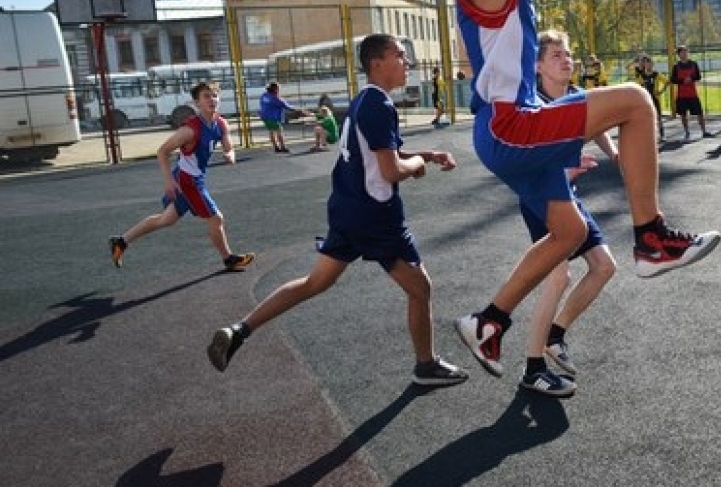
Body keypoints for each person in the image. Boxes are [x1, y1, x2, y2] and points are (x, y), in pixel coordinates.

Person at [429, 0, 720, 380]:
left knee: (567, 232)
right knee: (636, 101)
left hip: (504, 128)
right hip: (511, 125)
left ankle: (489, 321)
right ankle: (652, 239)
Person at [205, 34, 469, 388]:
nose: (406, 62)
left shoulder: (364, 100)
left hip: (347, 209)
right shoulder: (379, 105)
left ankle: (239, 330)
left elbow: (380, 154)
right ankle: (426, 365)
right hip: (375, 217)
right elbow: (391, 170)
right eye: (399, 55)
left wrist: (428, 155)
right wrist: (418, 164)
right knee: (420, 289)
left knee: (315, 283)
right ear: (377, 63)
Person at [518, 30, 620, 397]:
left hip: (568, 196)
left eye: (568, 53)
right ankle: (533, 368)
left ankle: (555, 334)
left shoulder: (577, 96)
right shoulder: (531, 107)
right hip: (541, 197)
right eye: (556, 55)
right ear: (538, 65)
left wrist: (615, 154)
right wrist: (563, 171)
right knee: (558, 277)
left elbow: (599, 125)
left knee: (604, 266)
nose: (567, 60)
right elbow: (522, 162)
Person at [108, 82, 255, 272]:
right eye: (206, 96)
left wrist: (230, 155)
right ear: (197, 102)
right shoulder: (190, 130)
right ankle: (229, 259)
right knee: (216, 219)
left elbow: (229, 147)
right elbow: (162, 152)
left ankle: (121, 241)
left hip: (193, 178)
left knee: (166, 219)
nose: (212, 99)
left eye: (214, 95)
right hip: (188, 181)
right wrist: (169, 181)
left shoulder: (220, 123)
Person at [669, 45, 713, 140]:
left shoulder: (694, 64)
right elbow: (672, 79)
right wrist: (682, 81)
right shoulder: (676, 66)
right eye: (683, 52)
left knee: (699, 112)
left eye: (686, 51)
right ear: (679, 54)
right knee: (683, 114)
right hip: (681, 94)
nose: (685, 54)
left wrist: (691, 78)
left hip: (693, 93)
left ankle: (704, 131)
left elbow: (698, 76)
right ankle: (687, 132)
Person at [259, 82, 299, 153]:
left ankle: (276, 147)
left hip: (264, 116)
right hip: (272, 117)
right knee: (279, 131)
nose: (279, 90)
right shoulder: (275, 98)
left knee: (271, 131)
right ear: (275, 89)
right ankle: (283, 147)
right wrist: (298, 110)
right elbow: (286, 106)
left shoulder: (264, 95)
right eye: (278, 88)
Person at [635, 55, 667, 141]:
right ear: (644, 65)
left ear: (653, 64)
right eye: (647, 64)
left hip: (655, 99)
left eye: (650, 64)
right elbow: (638, 87)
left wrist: (661, 91)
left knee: (658, 117)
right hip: (646, 100)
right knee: (646, 117)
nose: (649, 65)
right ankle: (648, 135)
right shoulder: (641, 76)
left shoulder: (656, 74)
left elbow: (666, 82)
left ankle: (662, 135)